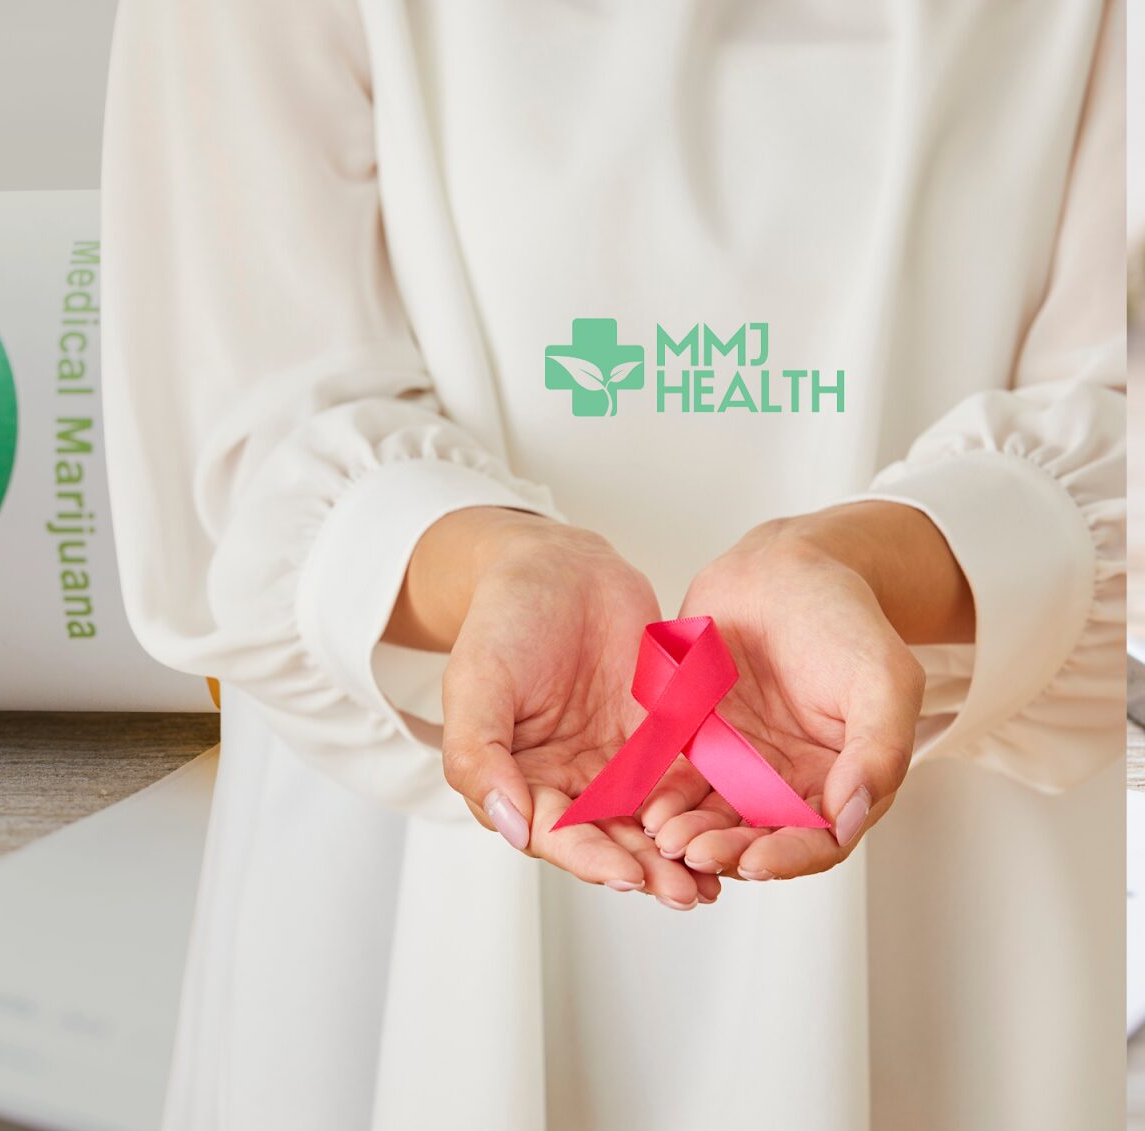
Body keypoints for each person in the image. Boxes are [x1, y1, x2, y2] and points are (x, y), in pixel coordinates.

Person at [100, 2, 1124, 1128]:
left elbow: (1115, 380)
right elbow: (236, 416)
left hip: (954, 882)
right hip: (408, 870)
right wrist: (487, 568)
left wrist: (882, 563)